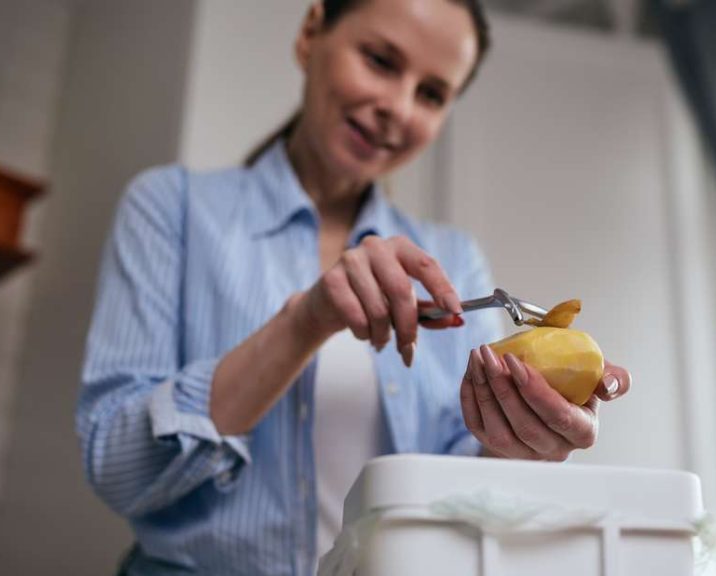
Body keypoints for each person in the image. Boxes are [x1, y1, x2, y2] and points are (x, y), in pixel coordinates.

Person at [77, 1, 632, 574]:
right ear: (310, 33)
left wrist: (515, 443)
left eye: (432, 94)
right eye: (380, 60)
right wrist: (305, 322)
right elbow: (119, 470)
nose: (397, 107)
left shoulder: (456, 262)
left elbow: (466, 492)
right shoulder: (171, 210)